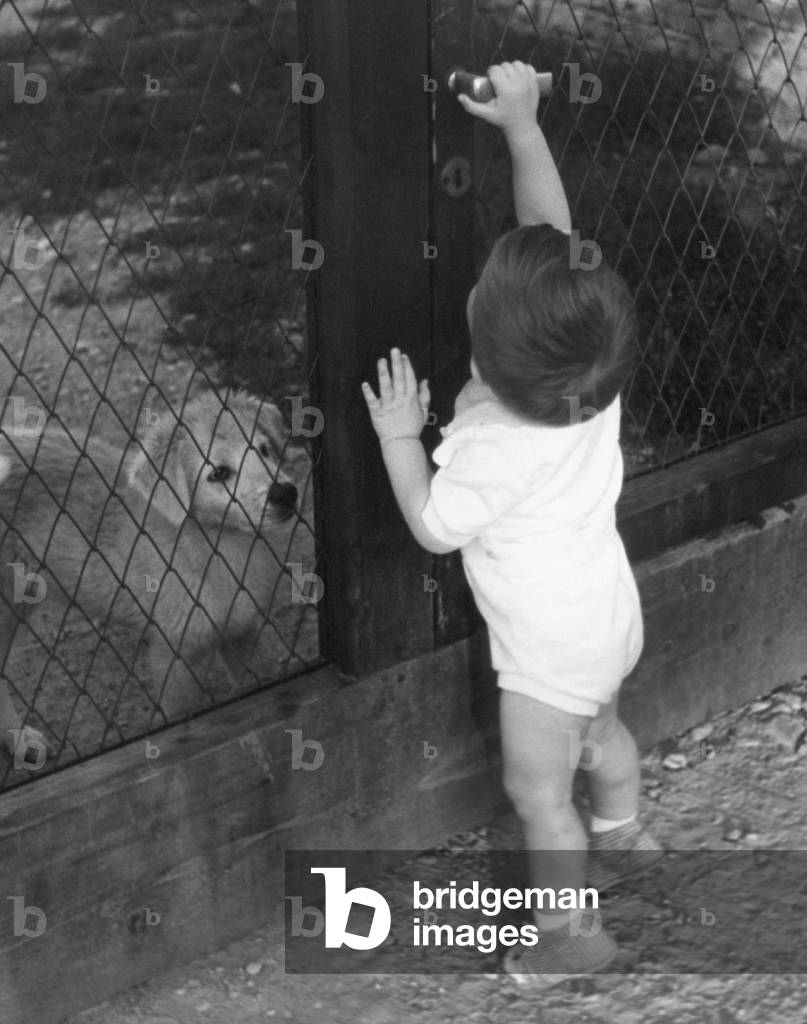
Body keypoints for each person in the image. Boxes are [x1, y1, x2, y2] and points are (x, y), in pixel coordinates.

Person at [361, 61, 661, 987]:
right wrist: (521, 127)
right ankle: (627, 834)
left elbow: (432, 526)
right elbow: (553, 237)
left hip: (544, 656)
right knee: (602, 734)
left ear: (484, 352)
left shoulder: (491, 444)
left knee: (537, 793)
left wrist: (401, 435)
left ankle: (572, 935)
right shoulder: (589, 385)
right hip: (607, 619)